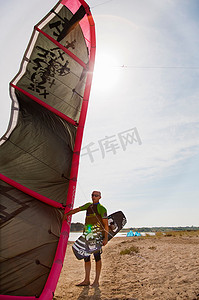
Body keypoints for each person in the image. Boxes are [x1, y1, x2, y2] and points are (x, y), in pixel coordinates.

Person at [63, 190, 108, 287]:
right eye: (92, 195)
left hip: (97, 236)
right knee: (86, 258)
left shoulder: (102, 209)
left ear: (100, 197)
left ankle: (96, 281)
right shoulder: (88, 206)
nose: (94, 197)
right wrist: (67, 214)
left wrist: (105, 238)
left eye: (96, 195)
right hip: (87, 235)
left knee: (97, 257)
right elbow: (77, 210)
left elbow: (106, 225)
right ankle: (87, 280)